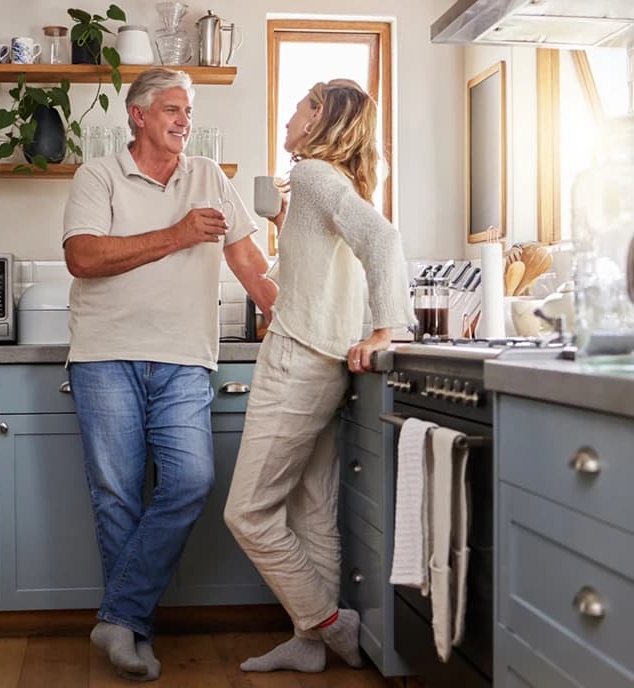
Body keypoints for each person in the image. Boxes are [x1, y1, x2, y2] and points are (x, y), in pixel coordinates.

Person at [62, 67, 277, 681]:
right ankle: (134, 632)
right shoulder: (98, 175)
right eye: (173, 110)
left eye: (188, 111)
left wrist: (281, 309)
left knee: (190, 481)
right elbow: (82, 256)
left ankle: (118, 617)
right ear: (138, 114)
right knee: (118, 496)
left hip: (185, 358)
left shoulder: (209, 176)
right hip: (105, 355)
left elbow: (246, 257)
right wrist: (177, 233)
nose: (185, 121)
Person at [224, 79, 415, 674]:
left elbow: (382, 237)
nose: (290, 116)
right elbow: (320, 270)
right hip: (322, 361)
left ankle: (329, 622)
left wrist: (387, 327)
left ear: (320, 122)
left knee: (247, 513)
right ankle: (308, 646)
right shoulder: (326, 184)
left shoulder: (311, 173)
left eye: (302, 107)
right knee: (312, 507)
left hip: (298, 361)